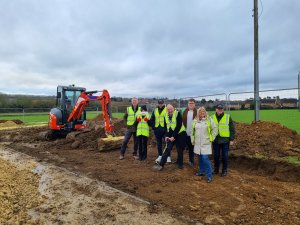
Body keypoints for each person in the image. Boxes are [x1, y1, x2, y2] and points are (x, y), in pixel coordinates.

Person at [153, 104, 187, 170]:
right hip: (171, 134)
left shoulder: (177, 114)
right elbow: (166, 127)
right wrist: (166, 136)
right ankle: (161, 164)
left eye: (171, 109)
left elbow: (178, 126)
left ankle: (180, 164)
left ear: (173, 108)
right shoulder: (165, 115)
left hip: (180, 133)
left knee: (179, 149)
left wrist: (173, 136)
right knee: (167, 148)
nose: (170, 110)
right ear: (166, 110)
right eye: (168, 109)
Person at [191, 107, 218, 183]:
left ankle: (209, 175)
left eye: (204, 111)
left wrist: (212, 138)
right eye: (201, 112)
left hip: (205, 143)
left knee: (205, 158)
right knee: (200, 158)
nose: (203, 113)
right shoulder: (195, 121)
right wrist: (192, 140)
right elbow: (192, 131)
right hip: (197, 144)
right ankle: (201, 172)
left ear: (205, 112)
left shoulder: (209, 120)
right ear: (198, 113)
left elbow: (215, 129)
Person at [211, 104, 235, 176]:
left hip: (225, 140)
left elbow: (231, 129)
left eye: (221, 109)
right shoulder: (211, 117)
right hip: (215, 140)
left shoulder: (227, 117)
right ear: (216, 109)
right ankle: (216, 169)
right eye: (218, 109)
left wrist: (231, 139)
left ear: (223, 110)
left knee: (225, 156)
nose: (220, 110)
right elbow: (209, 128)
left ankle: (224, 170)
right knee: (216, 156)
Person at [150, 99, 171, 163]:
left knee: (167, 143)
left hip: (165, 129)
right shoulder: (155, 110)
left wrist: (168, 128)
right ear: (158, 104)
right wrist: (154, 127)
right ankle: (160, 155)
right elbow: (152, 119)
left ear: (163, 103)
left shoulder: (166, 110)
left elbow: (170, 118)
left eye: (161, 103)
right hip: (157, 129)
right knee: (159, 143)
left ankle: (168, 156)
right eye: (159, 103)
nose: (160, 104)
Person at [182, 98, 197, 166]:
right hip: (185, 133)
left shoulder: (197, 112)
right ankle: (180, 160)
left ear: (194, 104)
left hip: (193, 134)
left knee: (191, 148)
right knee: (181, 147)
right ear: (188, 104)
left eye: (192, 103)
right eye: (189, 103)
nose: (191, 104)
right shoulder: (184, 111)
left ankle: (191, 161)